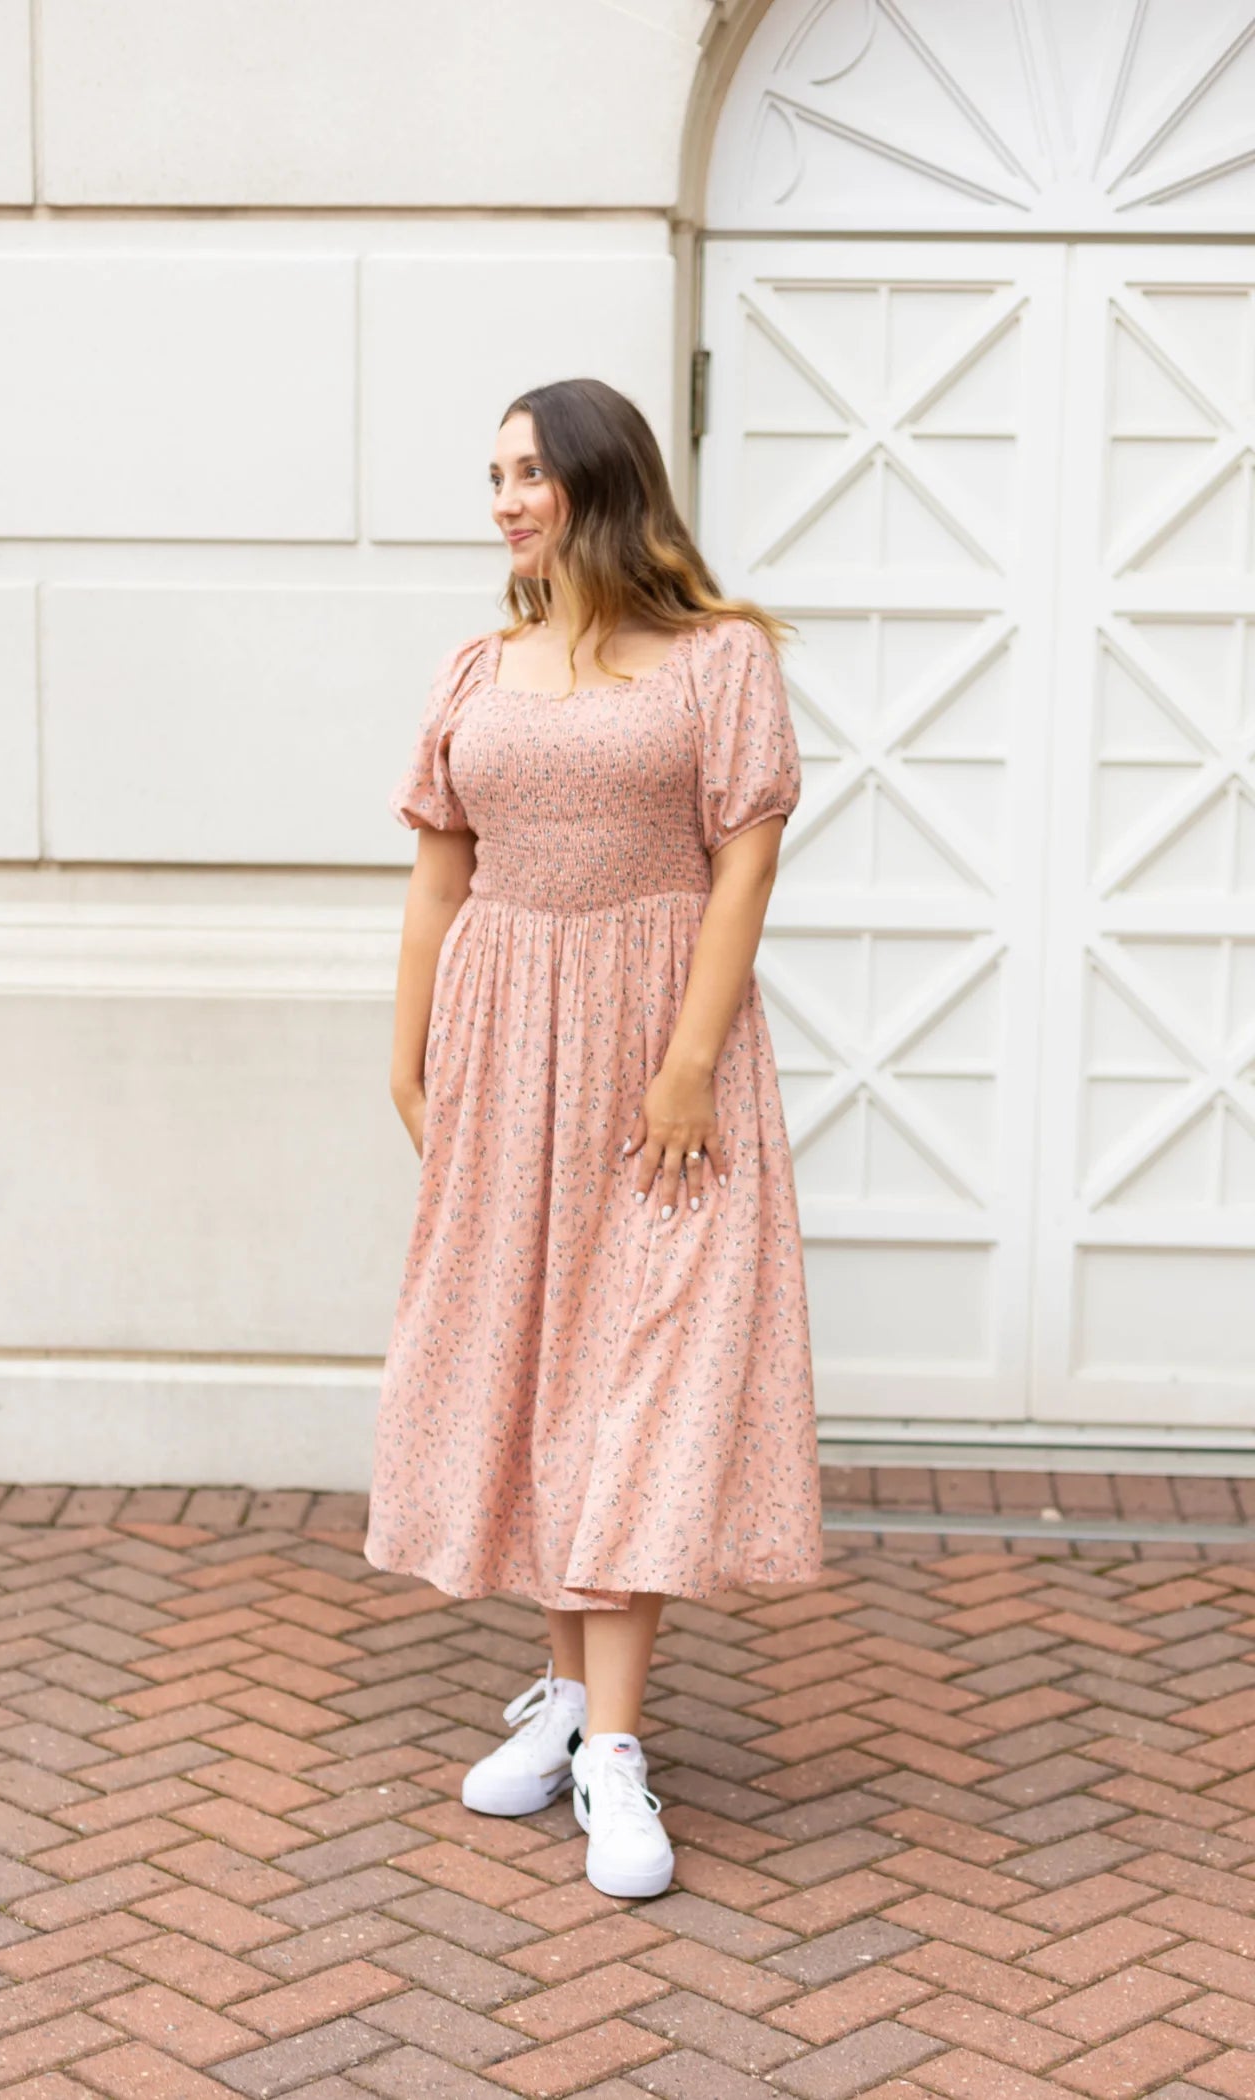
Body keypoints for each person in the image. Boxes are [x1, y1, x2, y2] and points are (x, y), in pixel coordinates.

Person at [366, 376, 820, 1900]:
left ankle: (616, 1753)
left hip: (655, 1061)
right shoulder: (475, 669)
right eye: (491, 473)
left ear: (601, 483)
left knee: (643, 1380)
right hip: (505, 1054)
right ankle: (570, 1709)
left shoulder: (719, 664)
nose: (504, 499)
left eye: (530, 472)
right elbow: (441, 877)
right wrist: (408, 1051)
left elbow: (742, 872)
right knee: (545, 1371)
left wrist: (688, 1063)